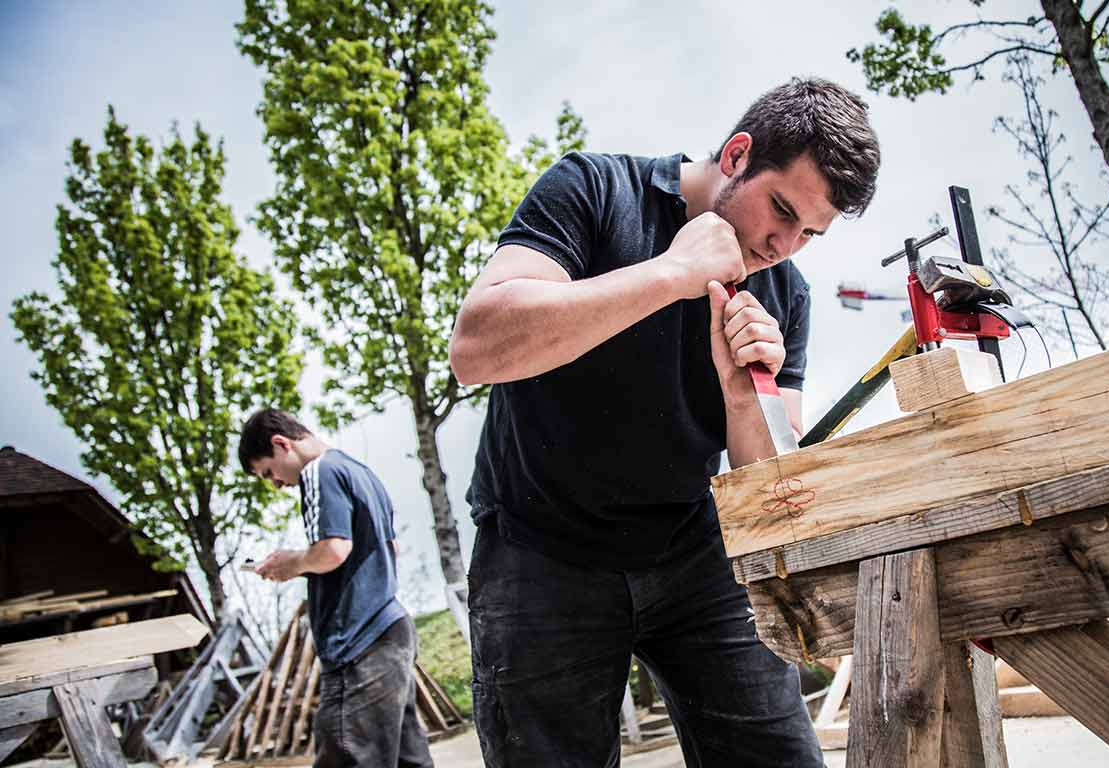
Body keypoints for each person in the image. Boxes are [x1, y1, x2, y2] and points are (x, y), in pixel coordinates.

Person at [448, 77, 880, 767]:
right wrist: (671, 273)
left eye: (810, 233)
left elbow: (771, 487)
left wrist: (745, 396)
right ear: (737, 154)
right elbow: (474, 348)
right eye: (781, 209)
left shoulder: (786, 292)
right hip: (540, 550)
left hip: (694, 558)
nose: (784, 244)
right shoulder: (593, 188)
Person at [238, 408, 433, 768]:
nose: (276, 484)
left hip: (357, 639)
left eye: (268, 472)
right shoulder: (358, 471)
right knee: (408, 759)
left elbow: (333, 550)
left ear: (281, 444)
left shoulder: (318, 471)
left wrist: (290, 563)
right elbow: (390, 547)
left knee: (346, 756)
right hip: (391, 631)